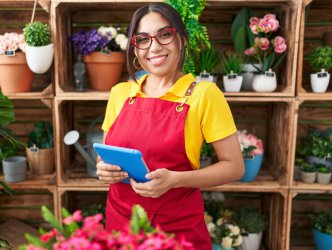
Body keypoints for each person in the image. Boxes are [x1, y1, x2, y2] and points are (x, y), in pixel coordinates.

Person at [96, 3, 244, 249]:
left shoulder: (204, 95)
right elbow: (105, 156)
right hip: (120, 226)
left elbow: (235, 167)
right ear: (135, 47)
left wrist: (175, 180)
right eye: (143, 39)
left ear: (182, 40)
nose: (154, 47)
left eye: (165, 35)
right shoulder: (120, 93)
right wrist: (104, 170)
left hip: (176, 231)